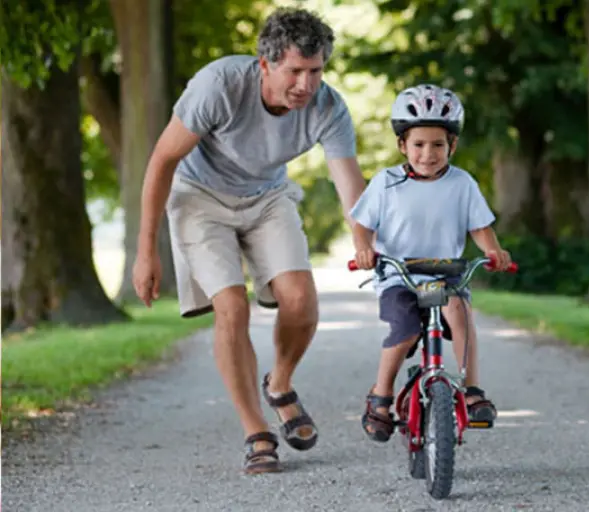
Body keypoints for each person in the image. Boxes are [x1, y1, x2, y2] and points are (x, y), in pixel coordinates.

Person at [130, 8, 367, 474]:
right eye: (294, 71)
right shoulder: (219, 85)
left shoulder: (328, 107)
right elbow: (161, 160)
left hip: (266, 197)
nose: (306, 85)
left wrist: (365, 242)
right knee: (232, 306)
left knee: (300, 299)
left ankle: (279, 384)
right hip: (199, 198)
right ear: (265, 64)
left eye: (315, 71)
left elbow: (349, 184)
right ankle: (255, 430)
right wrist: (145, 251)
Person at [350, 84, 512, 443]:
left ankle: (472, 391)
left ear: (452, 146)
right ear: (402, 145)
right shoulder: (386, 182)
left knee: (460, 311)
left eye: (438, 145)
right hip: (399, 275)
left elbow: (479, 227)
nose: (428, 153)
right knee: (405, 329)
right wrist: (364, 249)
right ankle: (381, 396)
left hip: (446, 273)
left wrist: (494, 251)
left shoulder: (462, 183)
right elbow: (361, 224)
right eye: (418, 144)